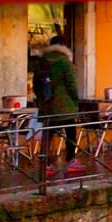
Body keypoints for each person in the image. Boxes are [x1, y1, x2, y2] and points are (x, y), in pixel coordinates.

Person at [38, 39, 82, 173]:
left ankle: (45, 164)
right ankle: (71, 160)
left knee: (48, 134)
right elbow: (71, 85)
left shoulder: (42, 62)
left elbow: (36, 85)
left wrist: (42, 100)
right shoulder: (65, 63)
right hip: (65, 105)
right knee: (70, 133)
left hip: (47, 106)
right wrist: (75, 100)